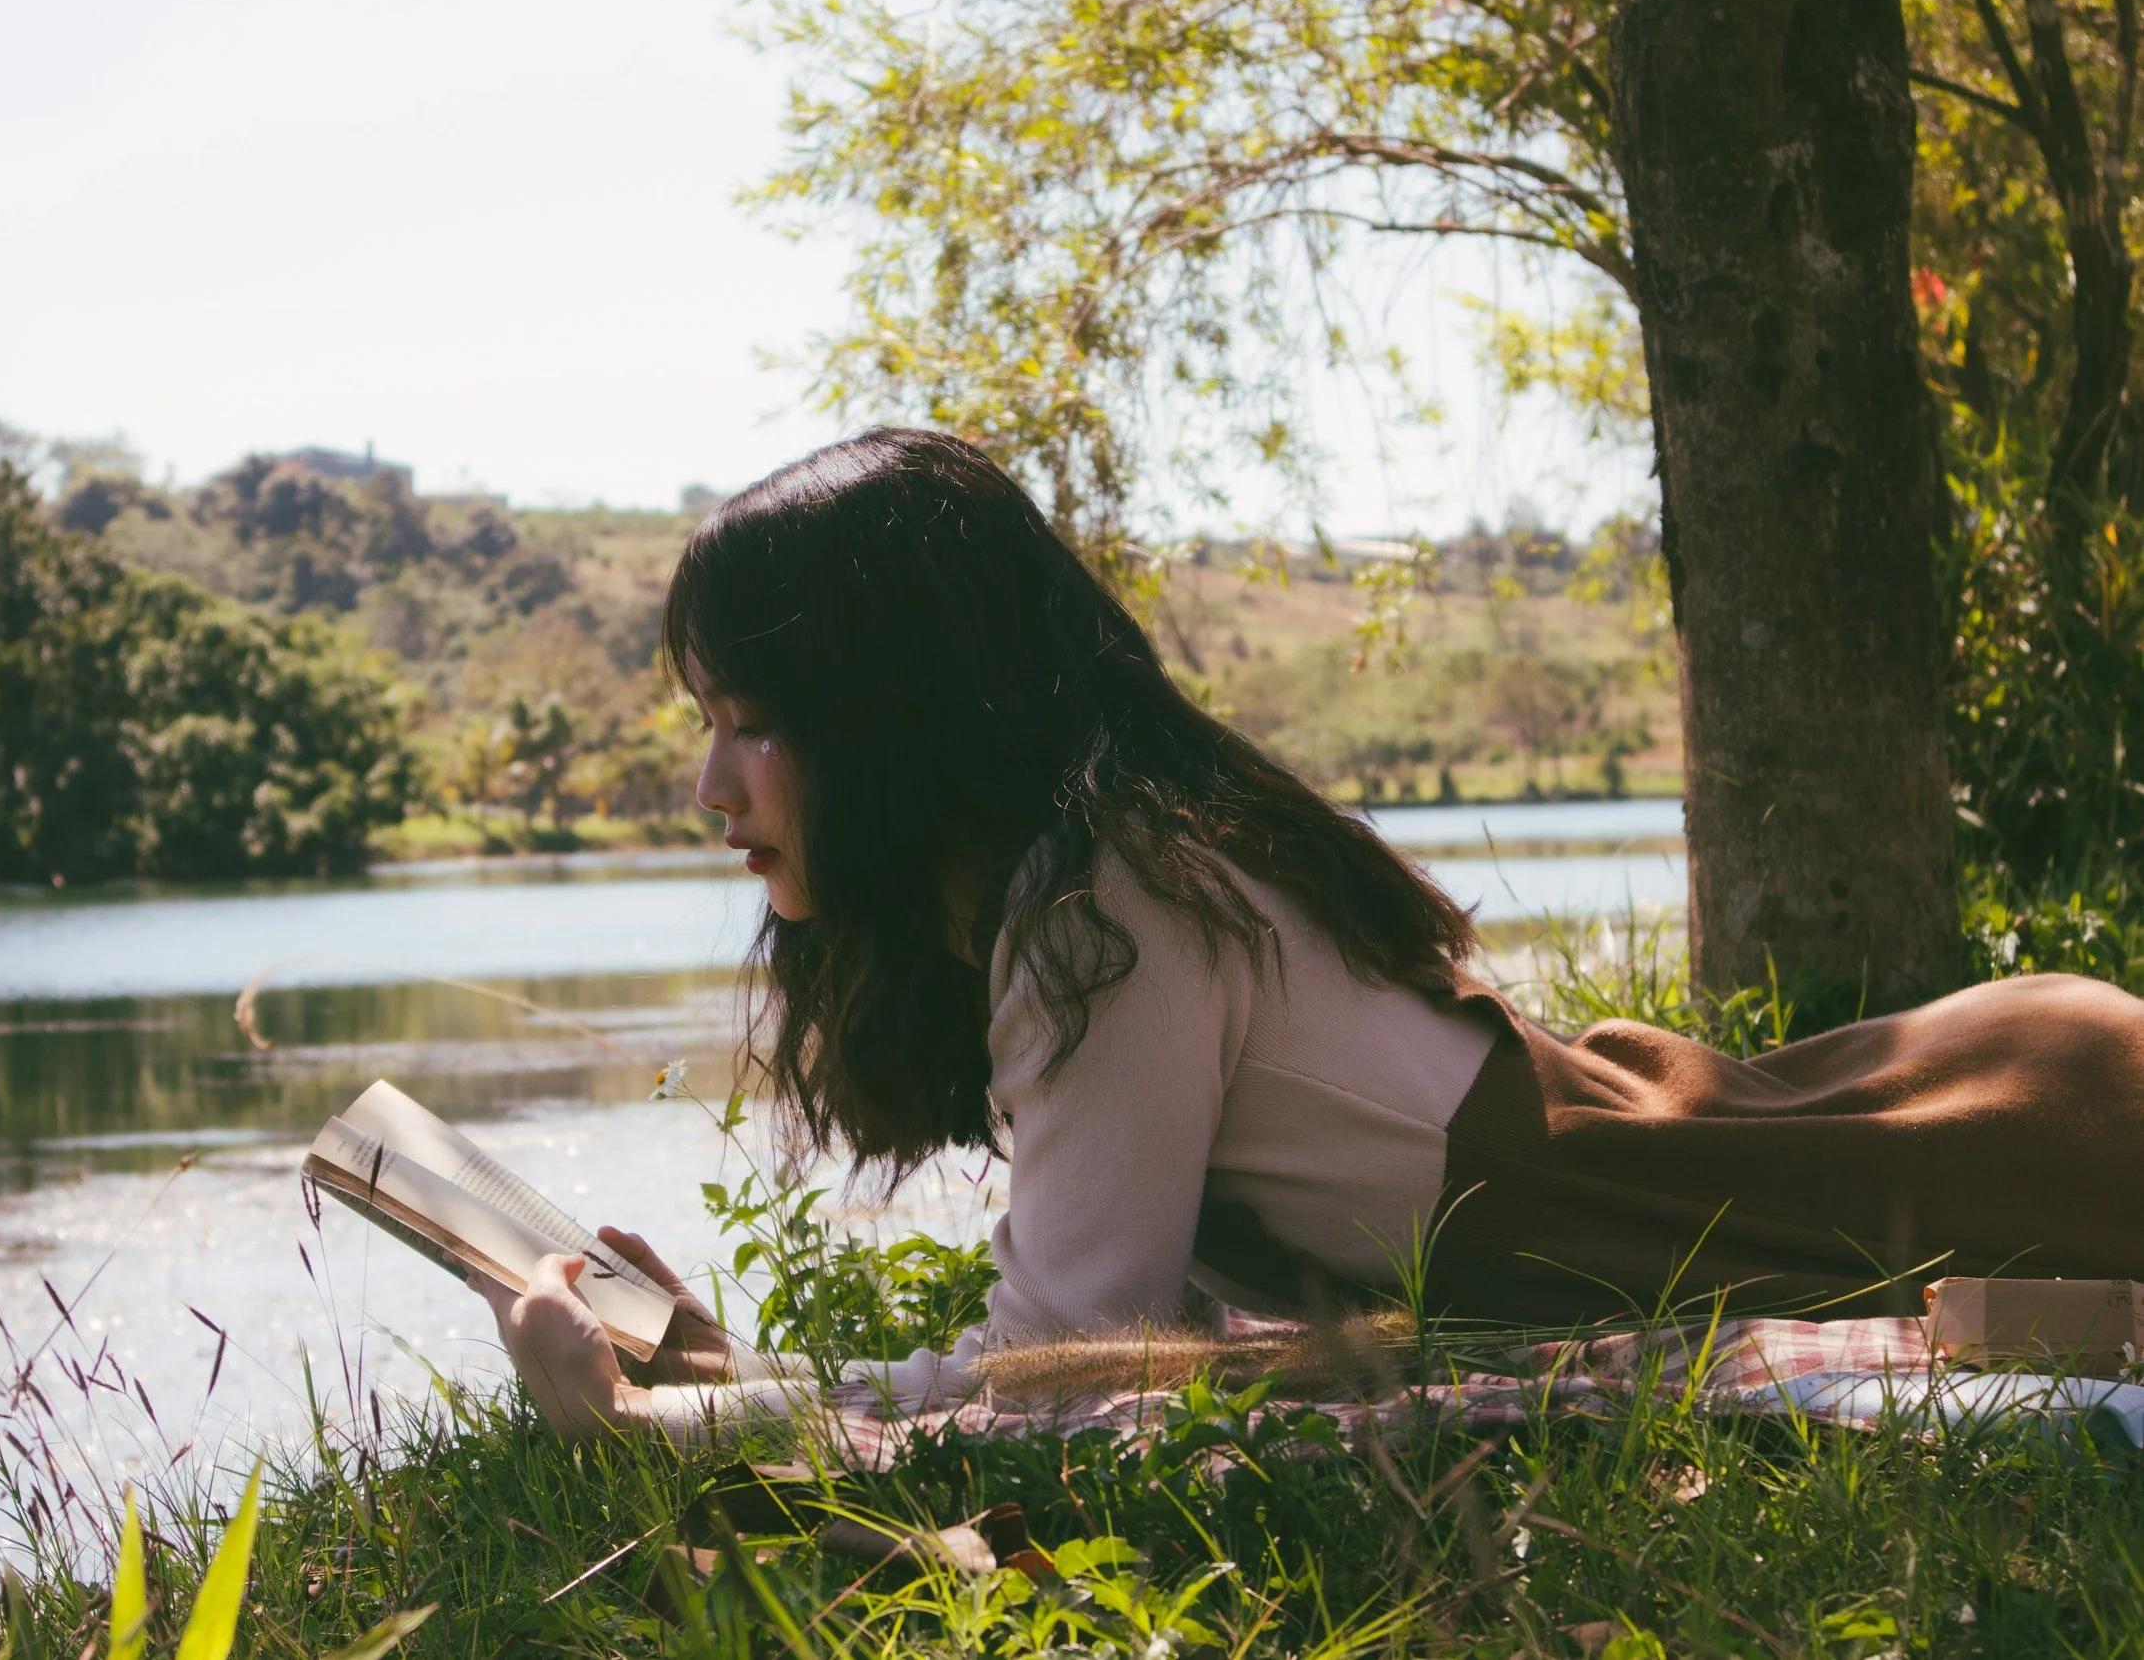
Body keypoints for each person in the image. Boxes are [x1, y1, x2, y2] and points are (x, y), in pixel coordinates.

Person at [471, 427, 2144, 1439]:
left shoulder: (1104, 908)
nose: (708, 784)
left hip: (2023, 1149)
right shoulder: (1105, 870)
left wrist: (683, 1418)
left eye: (751, 719)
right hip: (1932, 1113)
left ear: (892, 718)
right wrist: (723, 1374)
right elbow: (1105, 1345)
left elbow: (1063, 1371)